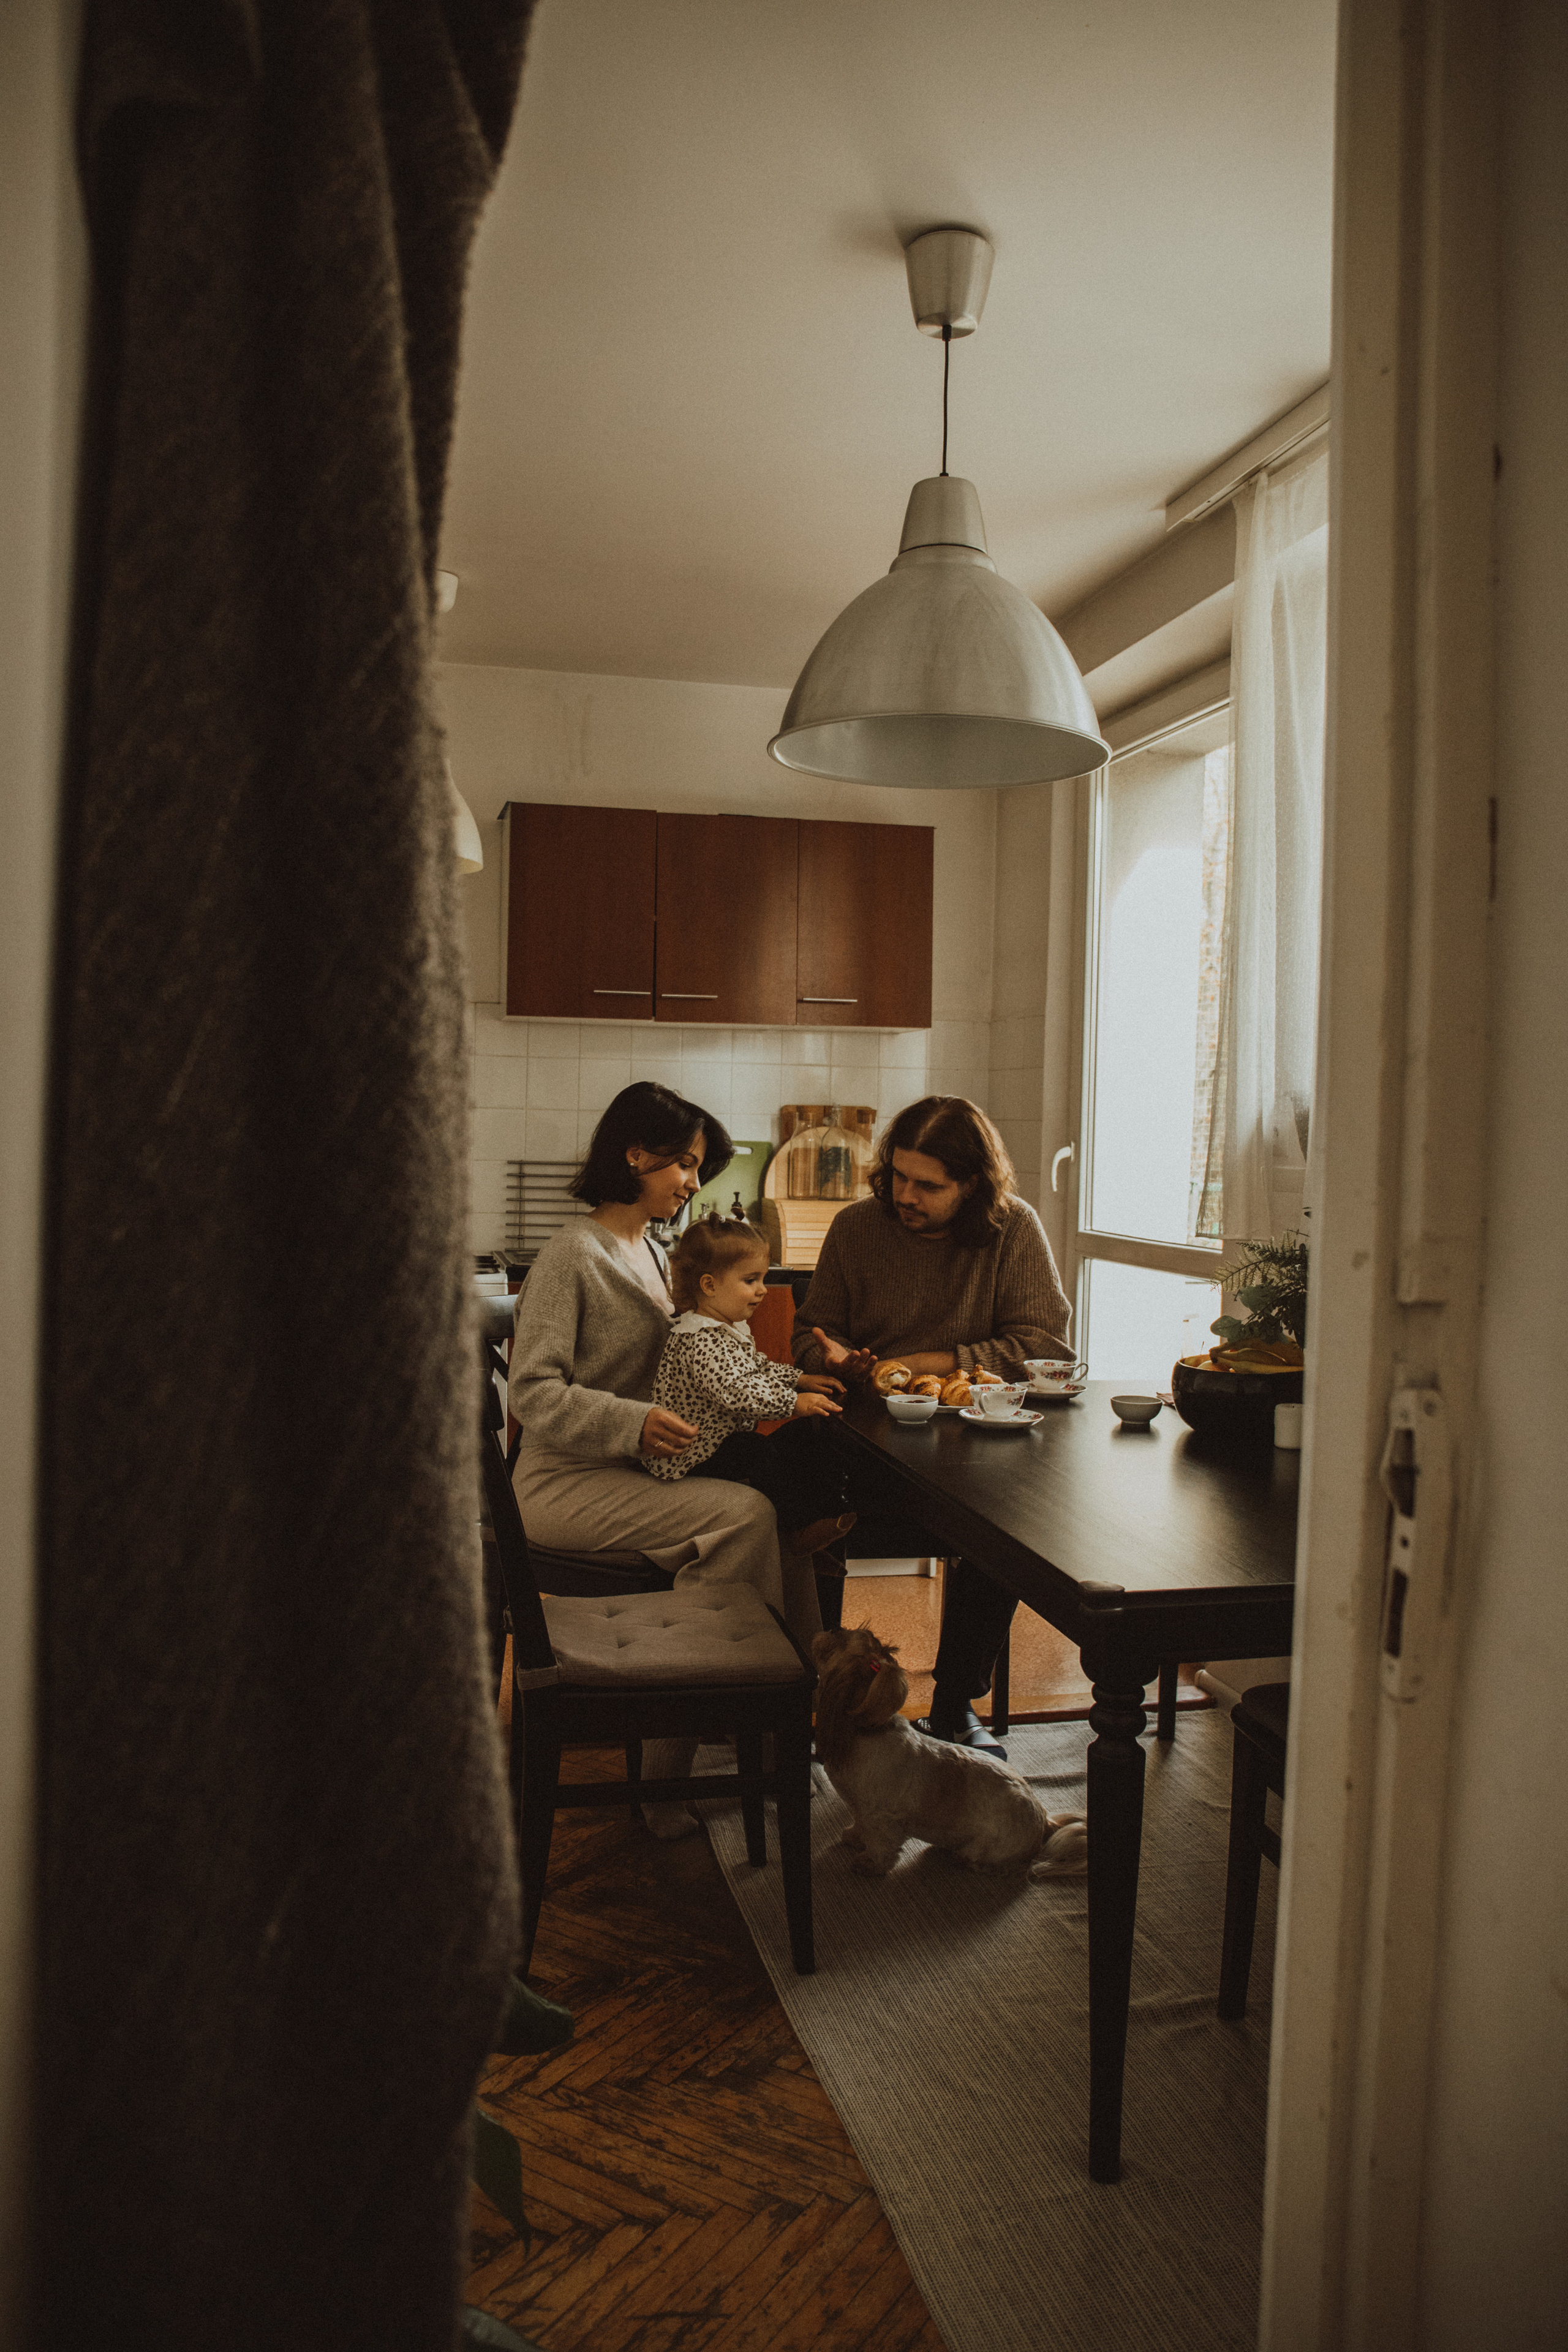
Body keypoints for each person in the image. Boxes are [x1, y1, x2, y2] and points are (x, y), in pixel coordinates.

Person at [508, 1082, 821, 1835]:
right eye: (683, 1164)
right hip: (563, 1483)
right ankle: (680, 1764)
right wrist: (633, 1421)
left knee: (778, 1521)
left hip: (624, 1473)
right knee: (745, 1516)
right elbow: (532, 1393)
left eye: (696, 1166)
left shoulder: (649, 1250)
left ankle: (790, 1725)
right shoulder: (571, 1254)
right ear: (634, 1154)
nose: (692, 1182)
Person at [792, 1095, 1074, 1758]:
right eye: (896, 1176)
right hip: (865, 1444)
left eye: (927, 1185)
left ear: (971, 1185)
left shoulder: (1014, 1230)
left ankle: (954, 1706)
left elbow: (1047, 1348)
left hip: (973, 1446)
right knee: (797, 1488)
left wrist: (933, 1362)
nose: (904, 1196)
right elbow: (810, 1335)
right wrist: (835, 1357)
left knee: (1002, 1522)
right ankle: (821, 1698)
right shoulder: (857, 1228)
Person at [647, 1219, 856, 1556]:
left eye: (762, 1278)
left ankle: (824, 1517)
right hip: (692, 1458)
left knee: (804, 1436)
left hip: (718, 1443)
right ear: (710, 1285)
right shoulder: (699, 1339)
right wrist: (794, 1401)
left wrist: (798, 1378)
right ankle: (794, 1532)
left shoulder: (727, 1328)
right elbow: (737, 1391)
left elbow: (757, 1366)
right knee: (756, 1451)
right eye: (751, 1280)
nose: (762, 1289)